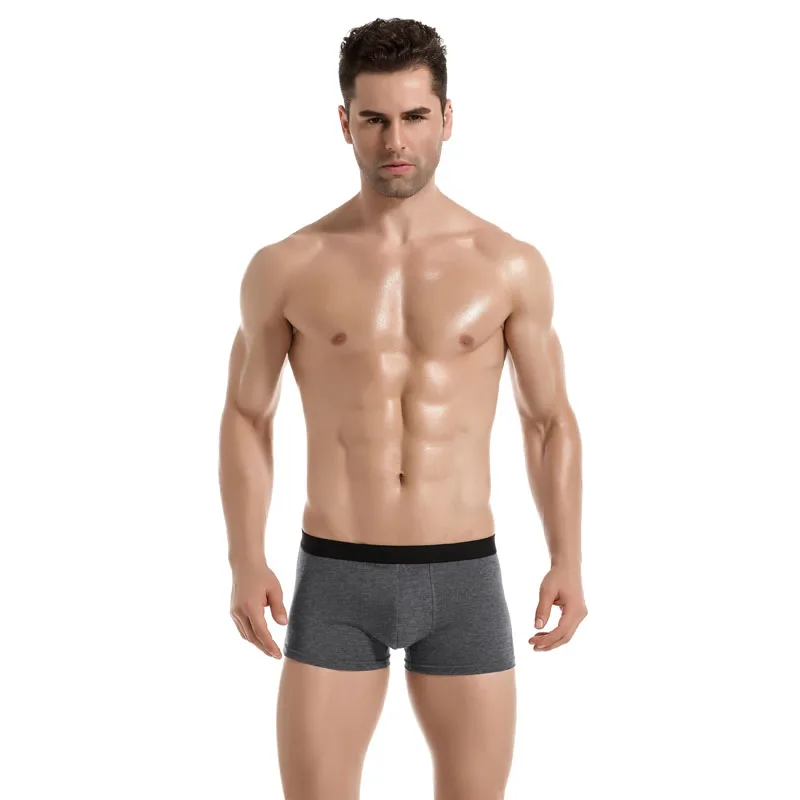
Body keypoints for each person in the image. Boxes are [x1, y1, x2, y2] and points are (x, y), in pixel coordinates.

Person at [218, 16, 587, 800]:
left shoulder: (508, 265)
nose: (396, 141)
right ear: (344, 122)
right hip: (336, 576)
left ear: (447, 118)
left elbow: (548, 420)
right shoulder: (288, 266)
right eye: (375, 119)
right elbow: (247, 415)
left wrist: (568, 558)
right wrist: (244, 558)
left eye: (415, 117)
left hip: (463, 578)